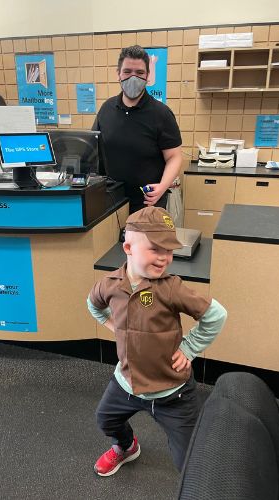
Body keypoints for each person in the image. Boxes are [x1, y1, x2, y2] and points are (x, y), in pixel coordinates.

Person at [87, 207, 227, 476]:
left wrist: (189, 347)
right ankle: (126, 447)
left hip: (172, 392)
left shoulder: (170, 287)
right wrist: (114, 326)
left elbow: (216, 315)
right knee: (105, 420)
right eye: (155, 249)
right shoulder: (111, 284)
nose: (165, 258)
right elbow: (93, 305)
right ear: (128, 247)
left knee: (188, 461)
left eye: (169, 250)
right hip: (126, 383)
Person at [92, 46, 183, 214]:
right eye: (127, 71)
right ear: (118, 73)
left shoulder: (161, 113)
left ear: (148, 76)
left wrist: (162, 187)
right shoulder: (106, 109)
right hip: (112, 201)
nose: (133, 77)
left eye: (140, 73)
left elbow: (174, 156)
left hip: (148, 202)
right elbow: (93, 150)